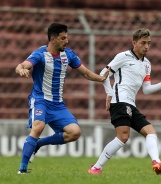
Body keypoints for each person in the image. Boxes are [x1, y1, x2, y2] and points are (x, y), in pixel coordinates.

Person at [15, 23, 110, 174]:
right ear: (53, 39)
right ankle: (22, 169)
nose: (66, 41)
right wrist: (21, 70)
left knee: (74, 132)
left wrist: (100, 78)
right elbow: (23, 65)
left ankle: (38, 144)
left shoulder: (69, 55)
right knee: (38, 126)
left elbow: (85, 73)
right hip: (40, 99)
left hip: (58, 104)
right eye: (63, 38)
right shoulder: (40, 54)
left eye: (67, 37)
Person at [88, 28, 161, 175]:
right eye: (143, 43)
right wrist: (110, 94)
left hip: (131, 103)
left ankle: (156, 163)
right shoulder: (123, 56)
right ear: (134, 43)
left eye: (149, 43)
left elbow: (147, 89)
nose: (146, 46)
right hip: (119, 101)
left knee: (151, 132)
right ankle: (96, 168)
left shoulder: (147, 64)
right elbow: (103, 74)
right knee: (123, 137)